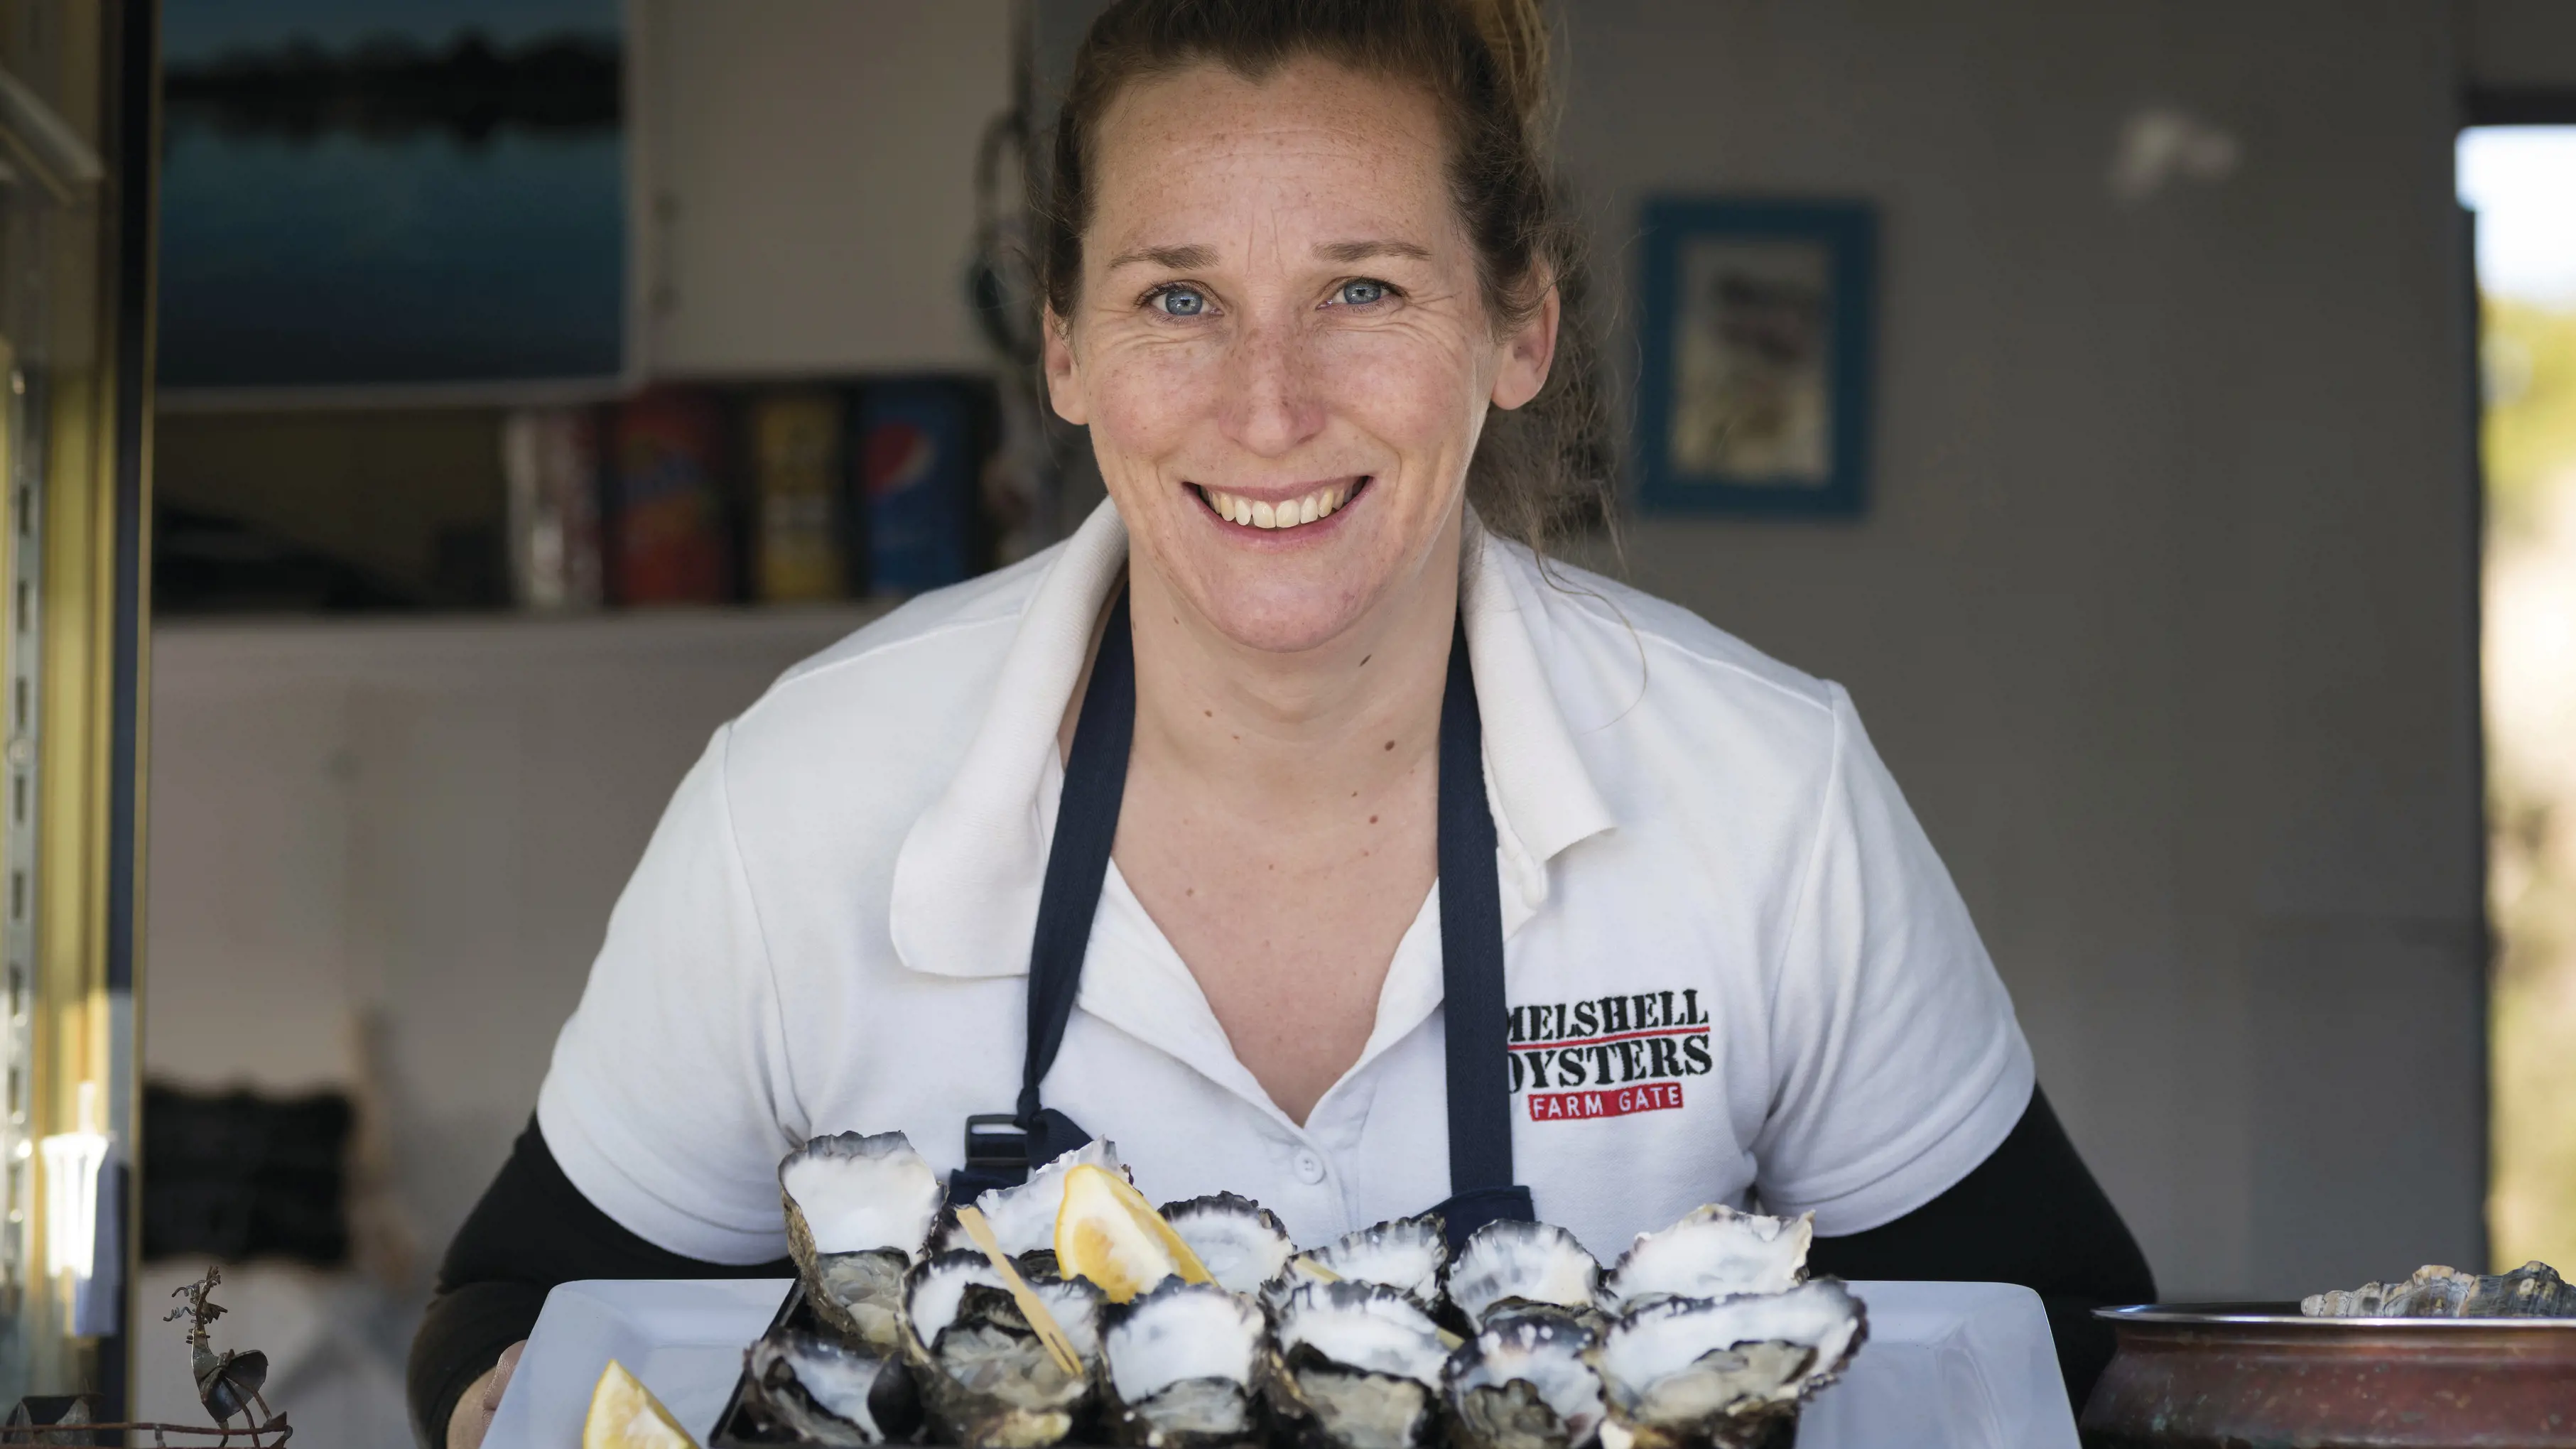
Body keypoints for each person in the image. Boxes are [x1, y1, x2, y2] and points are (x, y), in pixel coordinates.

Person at [410, 2, 2153, 1444]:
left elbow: (2064, 1340)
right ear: (1066, 350)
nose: (1268, 404)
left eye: (1364, 289)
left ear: (1519, 327)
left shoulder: (1767, 793)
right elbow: (511, 1310)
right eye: (1178, 297)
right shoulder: (802, 797)